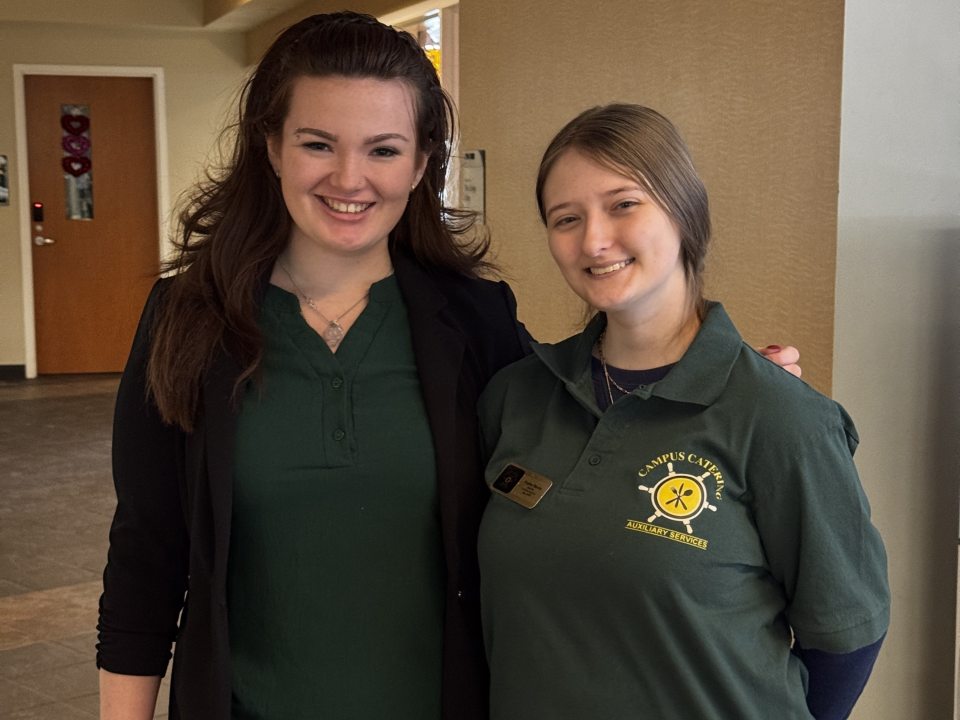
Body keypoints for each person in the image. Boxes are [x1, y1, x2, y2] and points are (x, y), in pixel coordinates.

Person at [96, 12, 800, 720]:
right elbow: (146, 556)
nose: (350, 178)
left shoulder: (473, 320)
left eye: (383, 149)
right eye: (317, 144)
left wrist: (733, 391)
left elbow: (591, 424)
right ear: (272, 147)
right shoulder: (187, 318)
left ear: (422, 161)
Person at [477, 104, 889, 720]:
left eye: (623, 204)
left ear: (683, 210)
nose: (593, 239)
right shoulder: (518, 395)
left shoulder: (781, 419)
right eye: (567, 218)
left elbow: (847, 636)